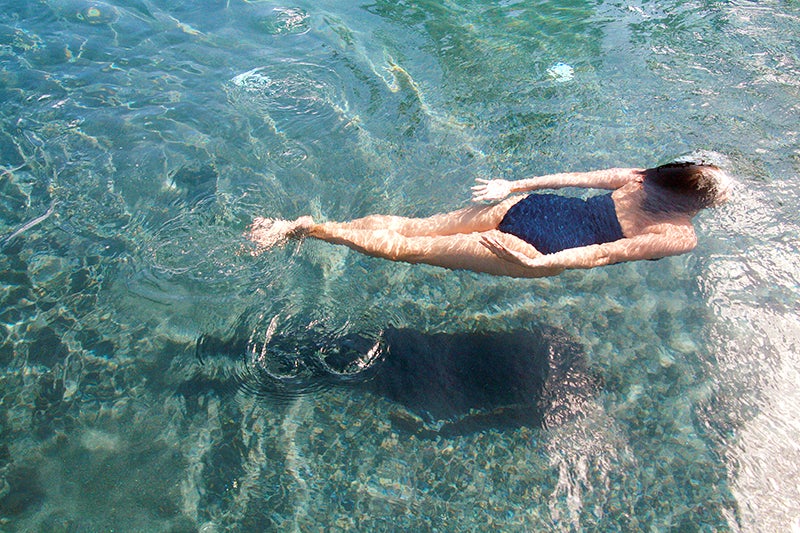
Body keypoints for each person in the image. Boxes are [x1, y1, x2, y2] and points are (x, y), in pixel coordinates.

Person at [248, 162, 732, 278]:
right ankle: (306, 230)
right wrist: (542, 264)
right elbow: (607, 253)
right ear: (701, 204)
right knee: (406, 248)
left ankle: (305, 225)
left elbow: (572, 178)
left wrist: (514, 187)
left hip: (531, 208)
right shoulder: (678, 234)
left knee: (411, 226)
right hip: (537, 248)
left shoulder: (639, 177)